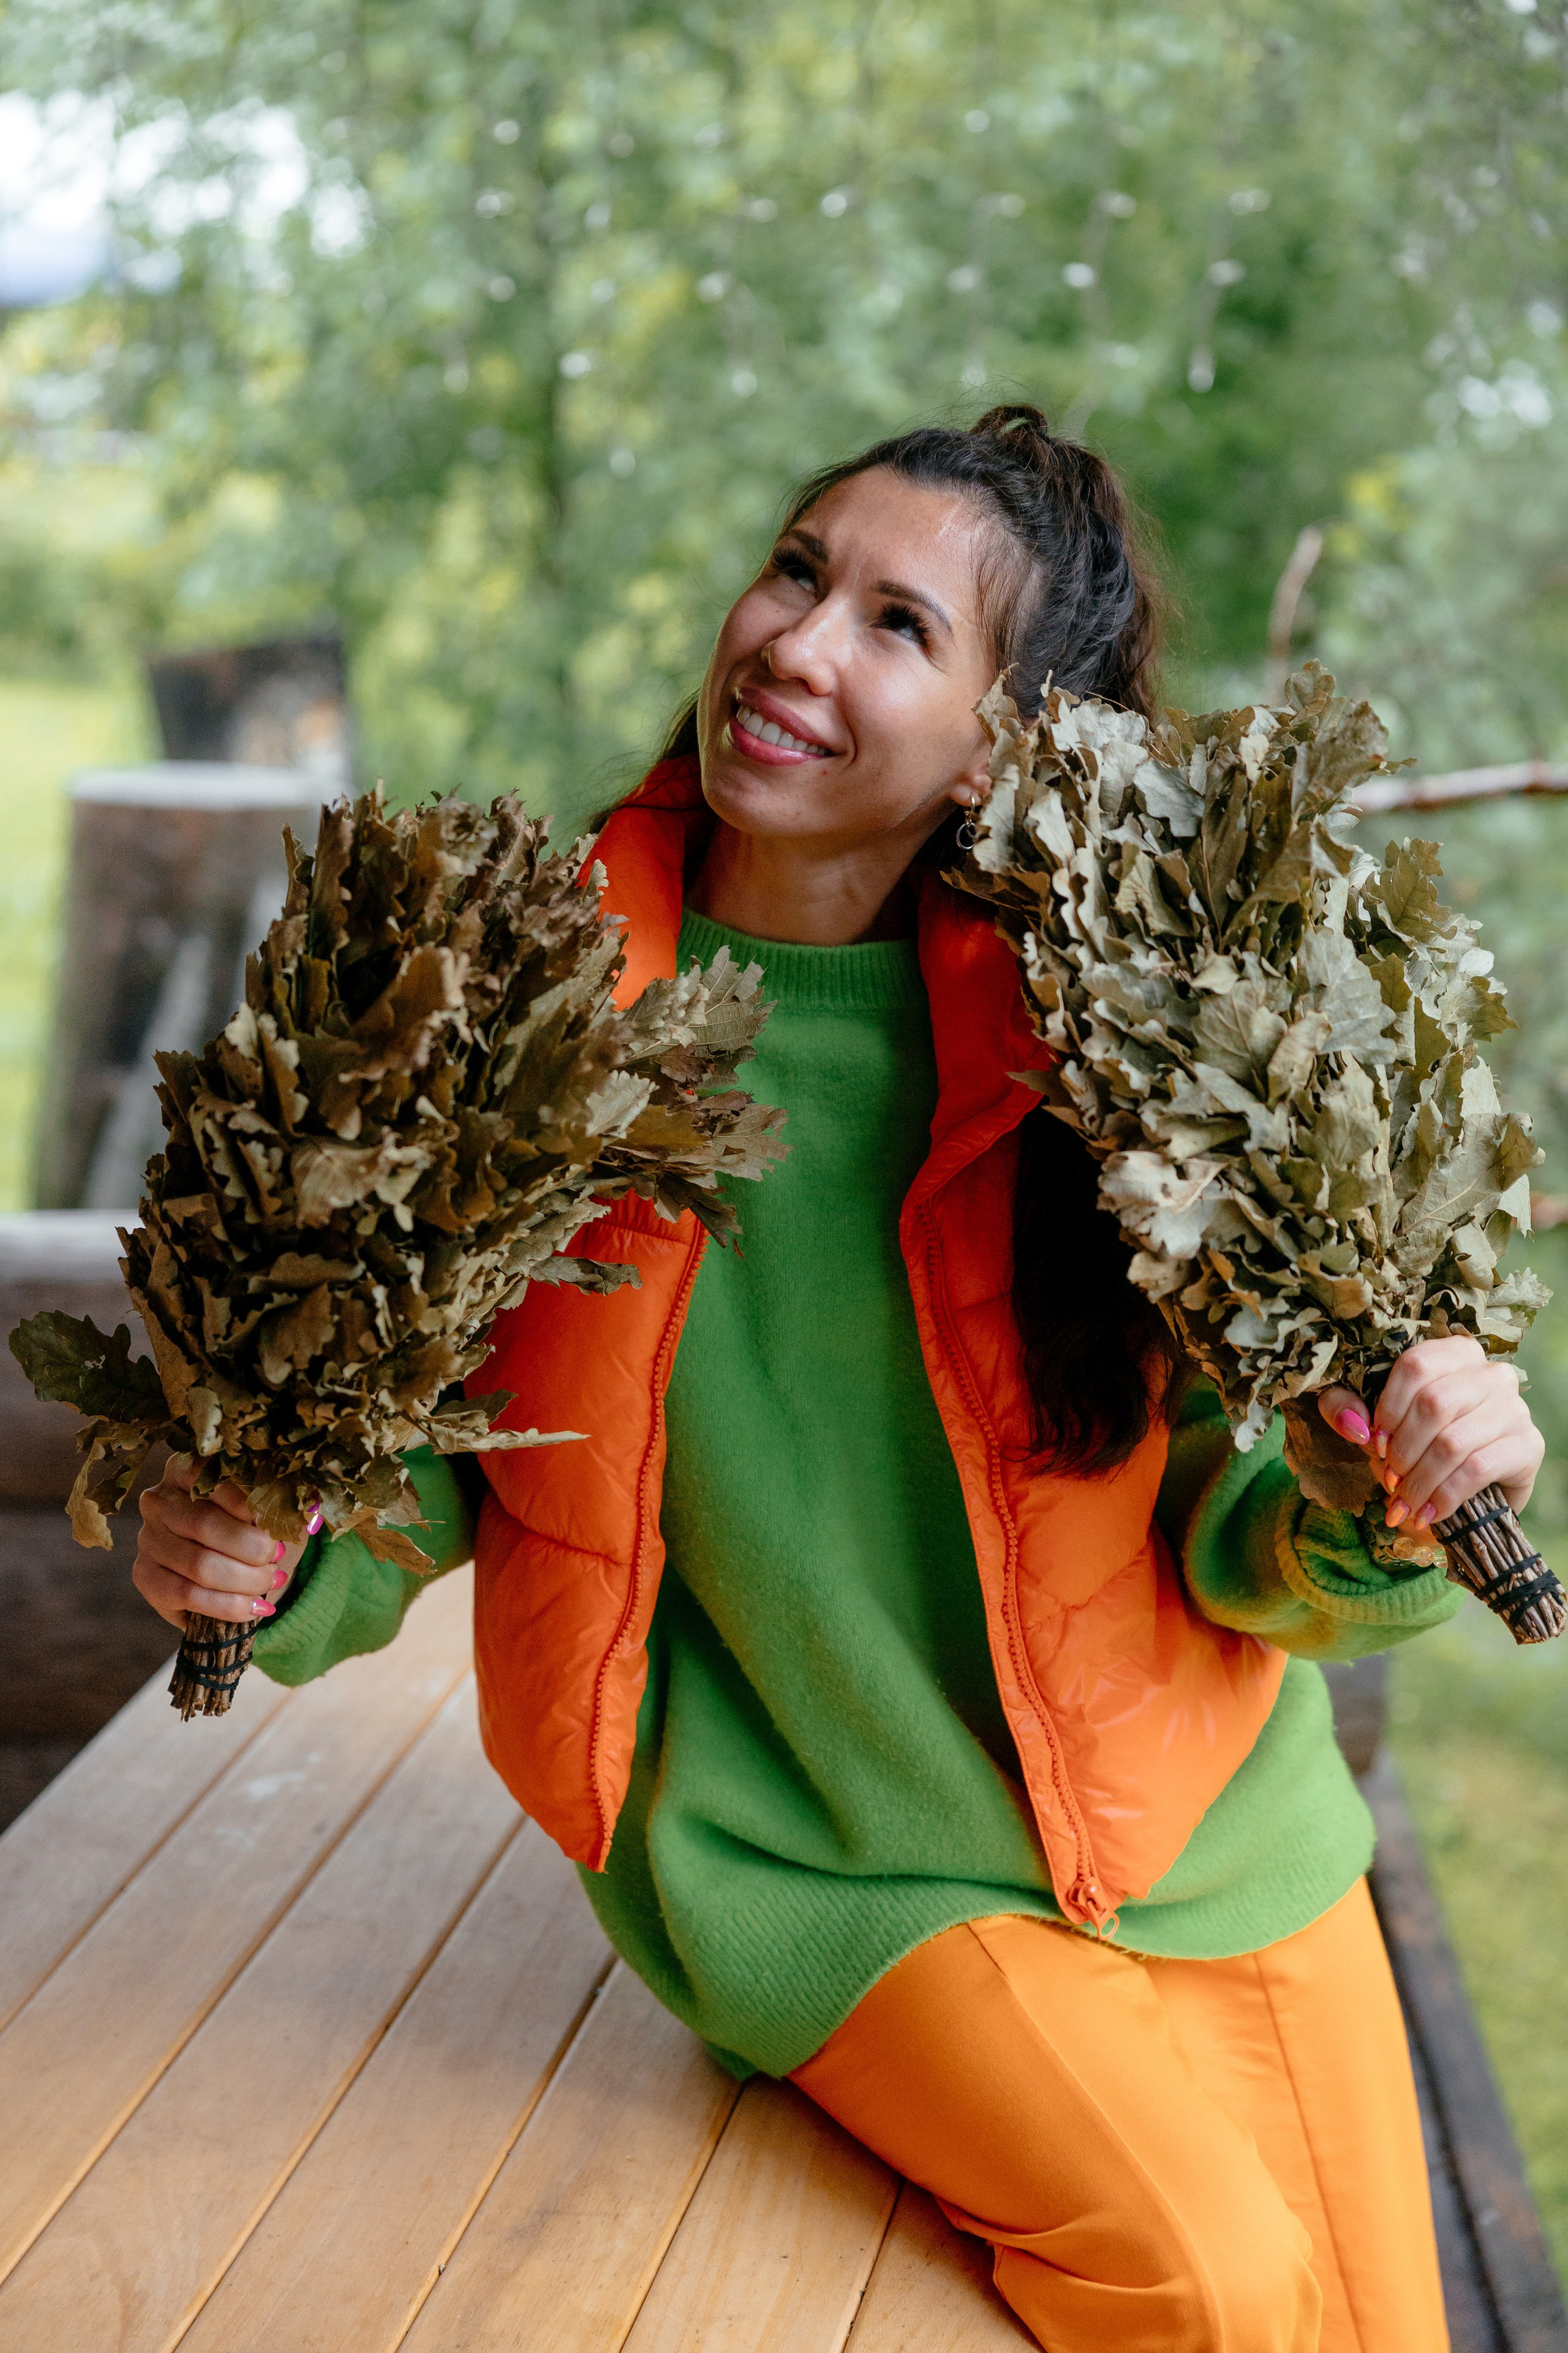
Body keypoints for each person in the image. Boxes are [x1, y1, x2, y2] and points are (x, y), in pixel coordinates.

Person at [134, 406, 1544, 2353]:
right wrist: (257, 1548)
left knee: (1381, 2328)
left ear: (1007, 738)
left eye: (899, 623)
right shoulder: (533, 1015)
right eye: (798, 568)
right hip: (840, 1866)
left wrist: (1389, 1480)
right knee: (1212, 2286)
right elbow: (430, 1451)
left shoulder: (1119, 1042)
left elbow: (1245, 1536)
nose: (797, 643)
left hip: (1220, 1827)